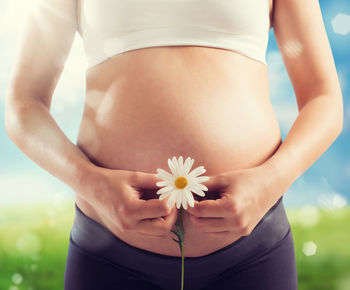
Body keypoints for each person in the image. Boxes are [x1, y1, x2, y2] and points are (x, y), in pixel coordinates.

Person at [4, 0, 343, 289]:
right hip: (109, 250)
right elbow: (24, 105)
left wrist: (270, 182)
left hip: (252, 251)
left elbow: (324, 99)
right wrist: (89, 182)